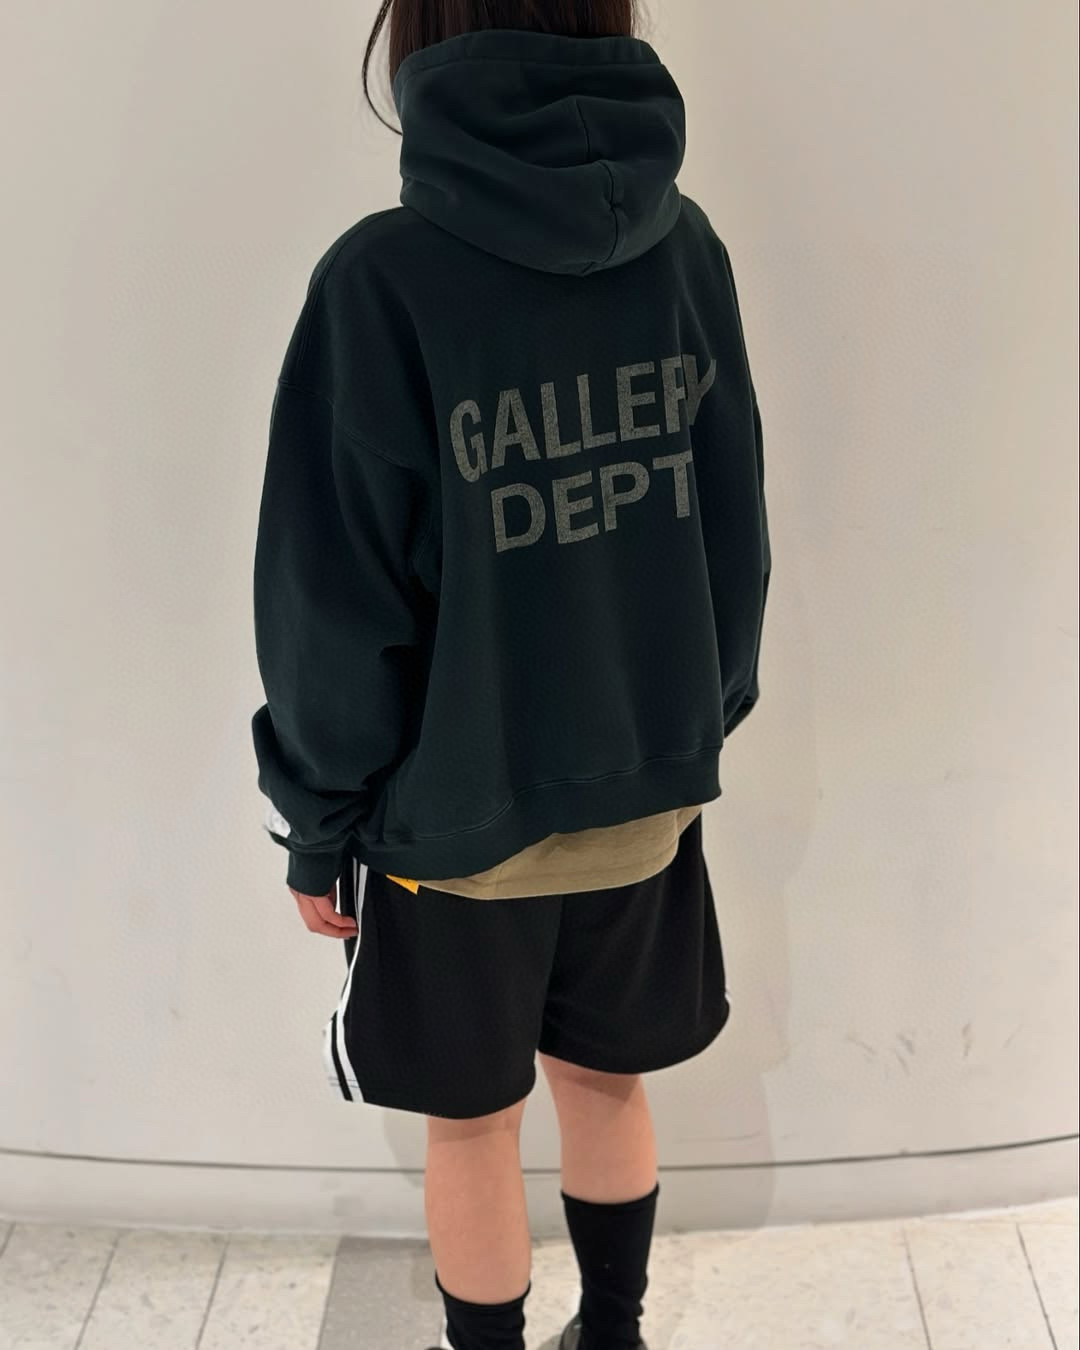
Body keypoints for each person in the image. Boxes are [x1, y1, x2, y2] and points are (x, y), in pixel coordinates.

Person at [250, 3, 771, 1348]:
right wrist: (692, 724)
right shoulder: (686, 247)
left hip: (459, 820)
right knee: (606, 1081)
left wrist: (319, 823)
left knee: (473, 1121)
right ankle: (616, 1333)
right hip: (646, 794)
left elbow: (332, 598)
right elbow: (734, 524)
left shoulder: (382, 279)